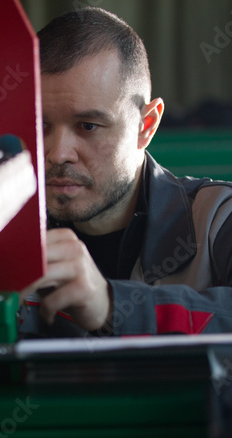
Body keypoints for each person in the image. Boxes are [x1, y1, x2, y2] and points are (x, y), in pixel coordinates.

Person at [20, 7, 232, 337]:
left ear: (145, 126)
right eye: (41, 125)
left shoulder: (218, 220)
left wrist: (110, 305)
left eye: (88, 125)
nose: (57, 153)